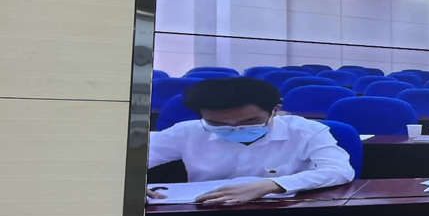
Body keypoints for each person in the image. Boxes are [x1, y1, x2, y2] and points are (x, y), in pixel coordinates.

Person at [147, 78, 355, 203]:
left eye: (250, 122)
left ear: (275, 110)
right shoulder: (186, 131)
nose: (235, 128)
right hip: (203, 210)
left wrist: (273, 185)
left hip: (282, 212)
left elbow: (339, 170)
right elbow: (133, 158)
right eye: (218, 124)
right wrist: (131, 185)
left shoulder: (305, 130)